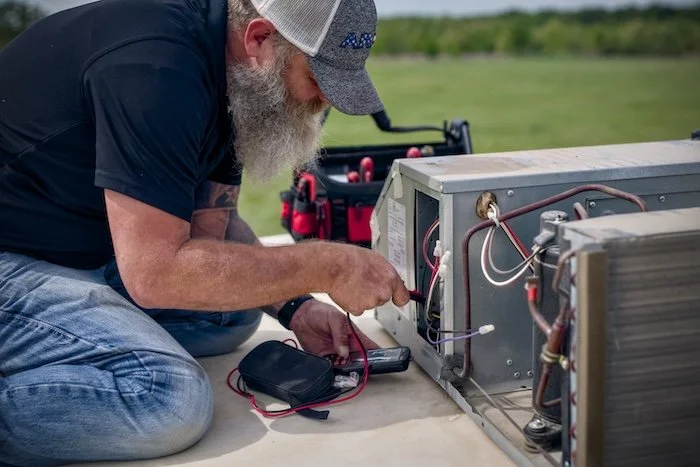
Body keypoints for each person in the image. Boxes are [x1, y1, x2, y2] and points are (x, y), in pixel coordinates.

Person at [0, 0, 411, 464]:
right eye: (319, 81)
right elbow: (155, 273)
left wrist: (297, 306)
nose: (326, 102)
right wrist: (326, 264)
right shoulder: (156, 68)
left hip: (73, 247)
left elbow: (209, 229)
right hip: (12, 256)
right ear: (258, 39)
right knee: (168, 399)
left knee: (229, 317)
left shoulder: (235, 77)